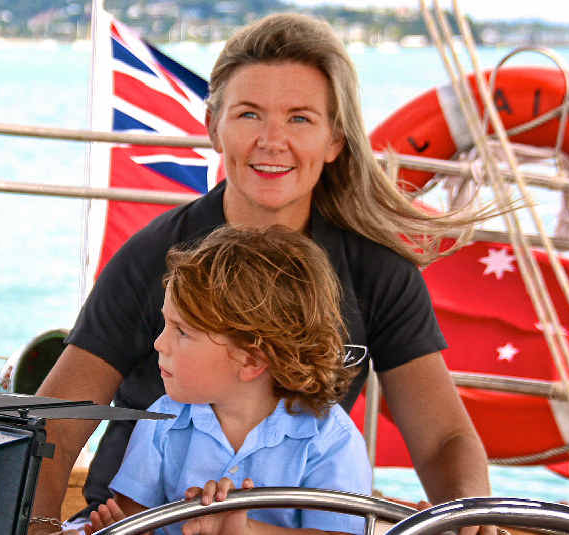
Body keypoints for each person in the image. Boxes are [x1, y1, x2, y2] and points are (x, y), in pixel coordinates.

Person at [29, 12, 493, 535]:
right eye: (250, 114)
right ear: (213, 127)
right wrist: (40, 529)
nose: (272, 140)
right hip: (135, 522)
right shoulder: (152, 256)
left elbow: (441, 440)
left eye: (299, 118)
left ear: (335, 140)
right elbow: (55, 429)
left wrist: (471, 515)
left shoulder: (377, 273)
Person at [84, 224, 371, 535]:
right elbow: (132, 519)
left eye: (182, 331)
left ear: (251, 359)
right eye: (166, 323)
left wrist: (245, 531)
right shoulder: (161, 421)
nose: (159, 343)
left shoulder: (330, 440)